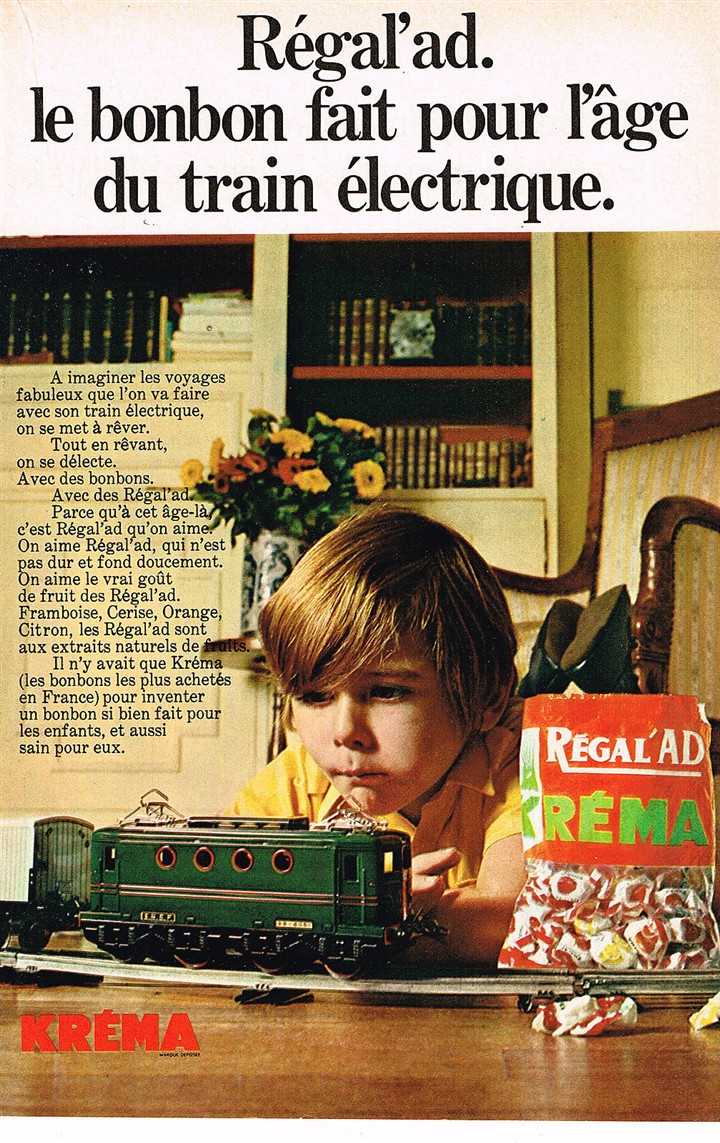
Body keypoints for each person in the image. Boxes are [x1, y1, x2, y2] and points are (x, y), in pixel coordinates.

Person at [225, 505, 527, 963]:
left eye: (386, 691)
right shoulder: (297, 780)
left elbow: (510, 922)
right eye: (314, 696)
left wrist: (329, 919)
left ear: (488, 696)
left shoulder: (523, 757)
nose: (345, 732)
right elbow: (217, 902)